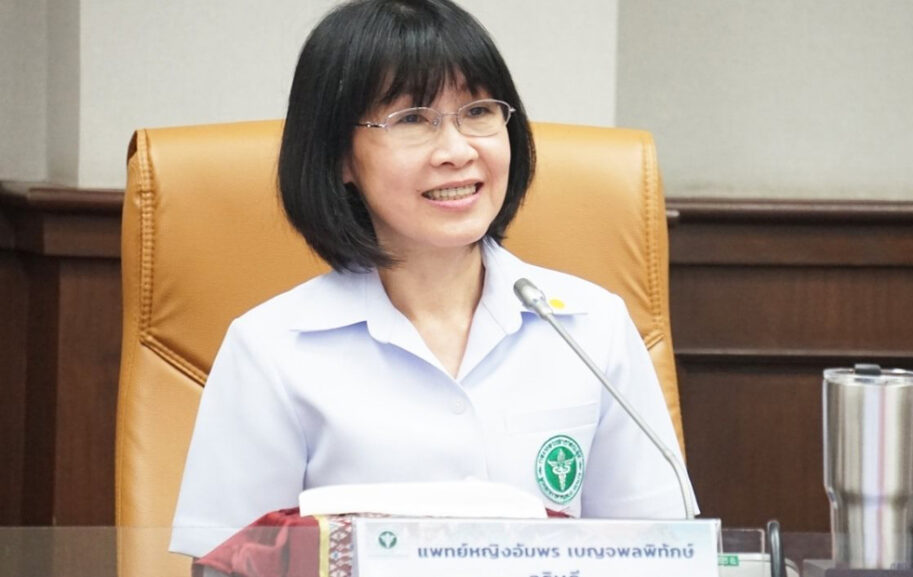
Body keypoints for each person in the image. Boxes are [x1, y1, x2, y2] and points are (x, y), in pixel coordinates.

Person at [169, 0, 696, 559]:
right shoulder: (271, 349)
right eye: (412, 120)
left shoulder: (591, 327)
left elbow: (661, 552)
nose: (457, 151)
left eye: (479, 111)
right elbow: (232, 565)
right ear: (339, 156)